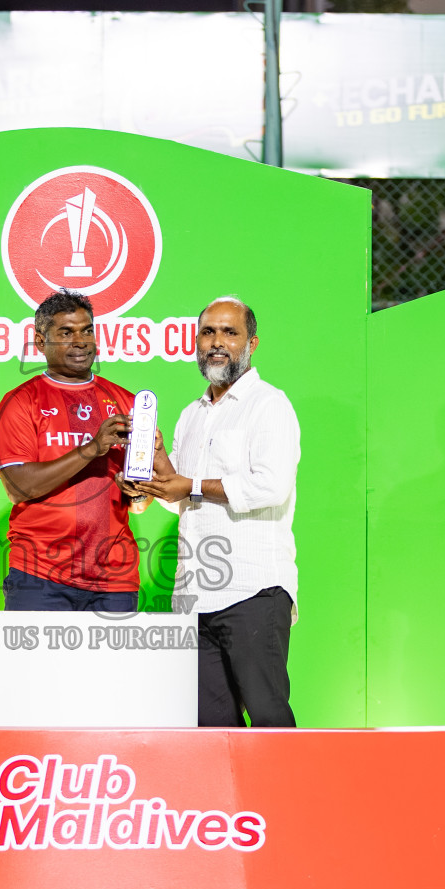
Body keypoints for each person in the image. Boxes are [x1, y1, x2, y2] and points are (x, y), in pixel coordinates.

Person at [125, 296, 301, 727]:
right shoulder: (191, 414)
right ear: (196, 343)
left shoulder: (269, 404)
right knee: (210, 727)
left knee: (269, 719)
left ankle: (287, 778)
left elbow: (270, 485)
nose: (217, 342)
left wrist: (189, 484)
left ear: (251, 343)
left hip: (254, 590)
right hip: (194, 596)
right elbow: (179, 498)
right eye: (208, 332)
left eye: (229, 332)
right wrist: (156, 465)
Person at [0, 290, 144, 611]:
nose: (81, 342)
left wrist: (139, 493)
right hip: (39, 573)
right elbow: (18, 487)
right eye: (66, 333)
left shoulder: (127, 402)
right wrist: (93, 448)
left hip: (114, 578)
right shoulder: (20, 401)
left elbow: (140, 503)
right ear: (40, 341)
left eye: (87, 331)